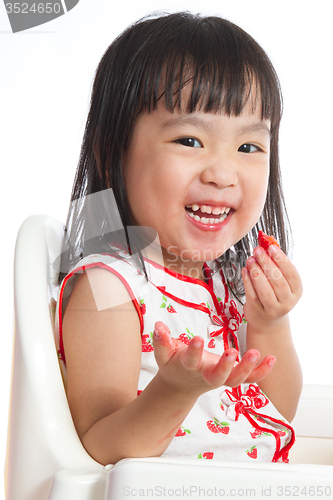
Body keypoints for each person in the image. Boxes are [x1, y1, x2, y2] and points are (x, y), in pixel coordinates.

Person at [54, 12, 303, 466]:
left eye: (249, 147)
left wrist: (270, 326)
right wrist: (173, 390)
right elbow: (100, 445)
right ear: (113, 154)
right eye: (189, 140)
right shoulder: (110, 285)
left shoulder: (225, 284)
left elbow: (275, 414)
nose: (222, 173)